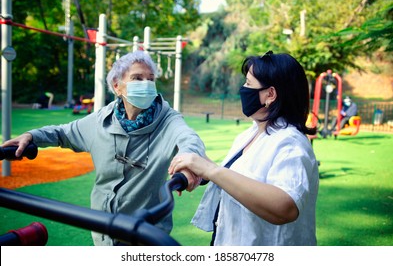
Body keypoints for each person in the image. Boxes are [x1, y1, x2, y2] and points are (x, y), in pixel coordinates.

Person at [1, 50, 205, 246]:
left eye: (150, 79)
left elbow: (188, 138)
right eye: (137, 78)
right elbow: (63, 133)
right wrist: (31, 136)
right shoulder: (102, 120)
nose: (147, 85)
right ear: (117, 86)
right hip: (102, 231)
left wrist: (190, 159)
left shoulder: (168, 120)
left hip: (144, 235)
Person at [169, 51, 319, 246]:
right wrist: (201, 171)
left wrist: (210, 170)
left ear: (270, 94)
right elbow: (236, 178)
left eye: (249, 83)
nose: (243, 89)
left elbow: (286, 206)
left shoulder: (290, 143)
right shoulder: (252, 133)